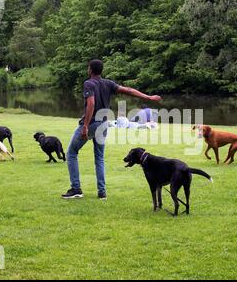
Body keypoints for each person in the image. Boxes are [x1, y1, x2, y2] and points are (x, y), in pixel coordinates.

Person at [62, 59, 162, 200]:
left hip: (91, 123)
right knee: (99, 158)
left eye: (88, 68)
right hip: (104, 124)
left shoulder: (88, 83)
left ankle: (76, 189)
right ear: (101, 71)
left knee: (71, 153)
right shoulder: (108, 83)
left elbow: (91, 104)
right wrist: (149, 97)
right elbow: (128, 90)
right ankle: (102, 192)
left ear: (90, 70)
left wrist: (85, 126)